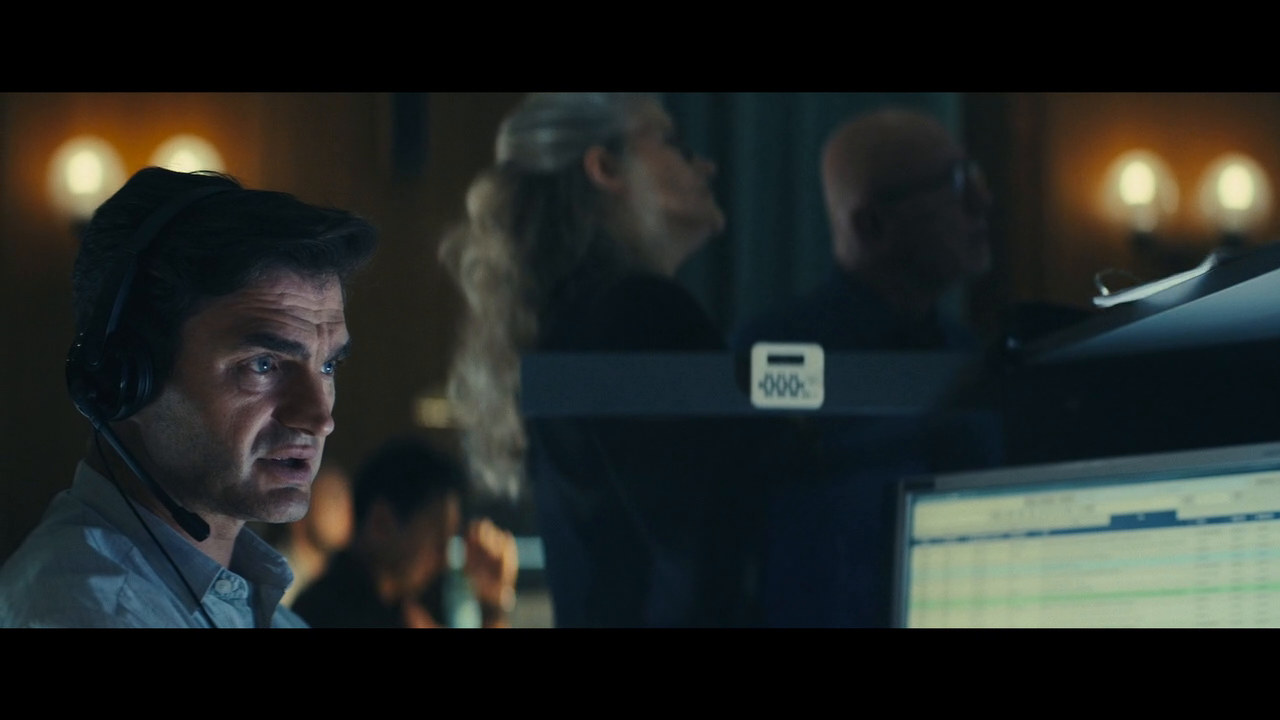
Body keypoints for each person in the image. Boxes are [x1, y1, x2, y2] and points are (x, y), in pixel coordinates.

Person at [440, 93, 790, 627]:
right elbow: (706, 554)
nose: (706, 165)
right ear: (605, 167)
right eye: (672, 142)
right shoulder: (639, 313)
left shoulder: (571, 320)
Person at [0, 167, 377, 628]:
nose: (319, 418)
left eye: (328, 365)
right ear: (125, 378)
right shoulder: (92, 614)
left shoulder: (259, 611)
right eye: (263, 364)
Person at [732, 109, 1001, 627]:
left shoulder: (969, 357)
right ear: (870, 224)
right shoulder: (771, 357)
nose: (981, 201)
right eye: (955, 183)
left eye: (976, 175)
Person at [293, 436, 518, 628]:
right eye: (438, 543)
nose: (444, 559)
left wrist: (492, 603)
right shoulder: (330, 616)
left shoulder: (397, 609)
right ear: (381, 524)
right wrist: (493, 609)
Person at [256, 463, 355, 608]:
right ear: (298, 508)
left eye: (348, 499)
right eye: (334, 498)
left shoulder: (341, 580)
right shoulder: (272, 583)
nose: (347, 510)